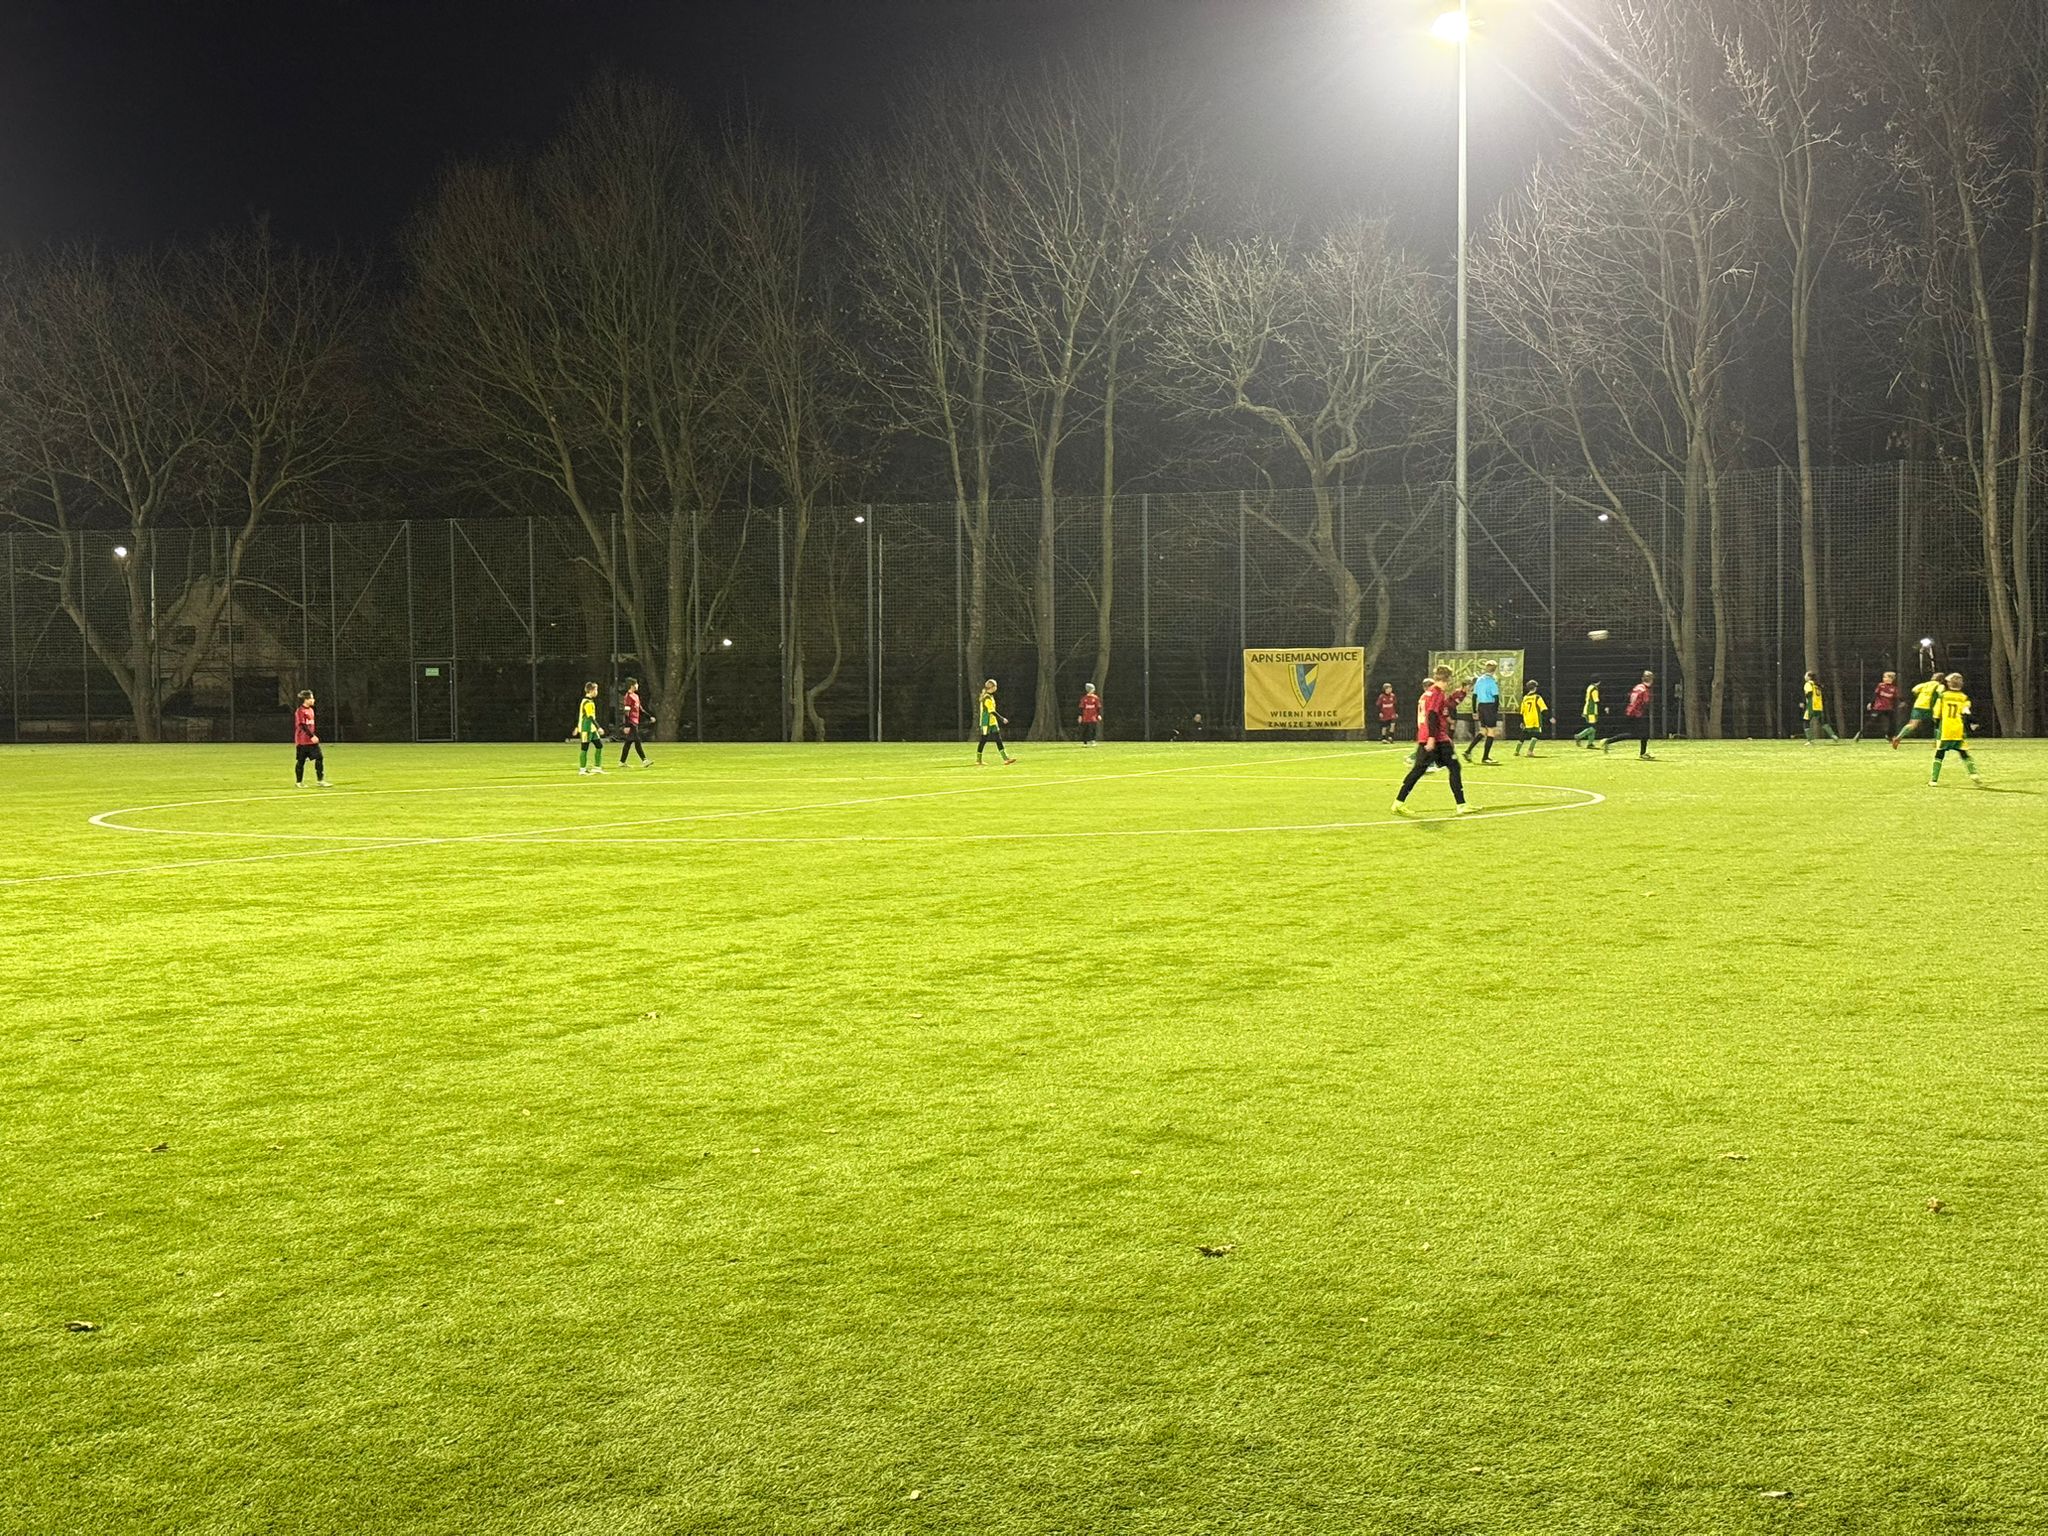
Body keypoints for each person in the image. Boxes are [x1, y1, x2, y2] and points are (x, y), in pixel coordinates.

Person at [1395, 665, 1470, 816]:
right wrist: (1431, 738)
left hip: (1428, 736)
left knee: (1419, 770)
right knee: (1453, 767)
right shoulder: (1437, 693)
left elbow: (1437, 711)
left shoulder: (1427, 693)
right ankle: (1461, 805)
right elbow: (1432, 715)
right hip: (1436, 738)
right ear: (1448, 678)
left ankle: (1398, 803)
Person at [1928, 672, 1983, 787]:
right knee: (1963, 752)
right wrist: (1973, 722)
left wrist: (1936, 724)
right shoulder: (1963, 697)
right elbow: (1966, 711)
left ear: (1948, 683)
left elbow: (1936, 713)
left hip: (1945, 729)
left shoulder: (1943, 696)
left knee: (1939, 753)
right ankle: (1973, 774)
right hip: (1958, 729)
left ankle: (1933, 780)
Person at [1602, 671, 1656, 759]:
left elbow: (1630, 698)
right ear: (1651, 679)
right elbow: (1645, 702)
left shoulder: (1638, 687)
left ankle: (1643, 753)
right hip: (1636, 713)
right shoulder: (1644, 690)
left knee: (1642, 734)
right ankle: (1608, 741)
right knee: (1635, 734)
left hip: (1631, 711)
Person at [1464, 660, 1503, 764]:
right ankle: (1485, 758)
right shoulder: (1492, 681)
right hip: (1489, 706)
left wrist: (1474, 710)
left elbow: (1474, 696)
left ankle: (1468, 751)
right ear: (1495, 670)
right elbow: (1496, 697)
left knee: (1483, 731)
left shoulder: (1479, 680)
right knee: (1491, 732)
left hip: (1481, 706)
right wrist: (1495, 710)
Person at [1893, 669, 1944, 748]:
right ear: (1942, 680)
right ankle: (1937, 742)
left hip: (1918, 705)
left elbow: (1914, 690)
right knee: (1938, 723)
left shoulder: (1925, 684)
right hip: (1930, 707)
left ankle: (1898, 737)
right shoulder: (1940, 685)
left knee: (1912, 724)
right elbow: (1940, 693)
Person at [292, 689, 330, 787]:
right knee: (301, 761)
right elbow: (302, 725)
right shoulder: (300, 711)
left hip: (311, 742)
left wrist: (313, 736)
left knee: (319, 758)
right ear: (306, 699)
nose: (313, 700)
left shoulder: (311, 710)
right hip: (302, 741)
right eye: (311, 698)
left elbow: (310, 726)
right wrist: (312, 736)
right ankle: (299, 782)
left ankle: (320, 780)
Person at [977, 679, 1017, 765]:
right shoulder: (987, 698)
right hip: (986, 722)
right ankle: (978, 760)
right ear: (992, 687)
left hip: (993, 722)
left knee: (998, 739)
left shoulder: (990, 696)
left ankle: (1006, 759)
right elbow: (991, 711)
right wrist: (1002, 719)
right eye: (995, 686)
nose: (996, 688)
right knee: (983, 740)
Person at [617, 677, 649, 767]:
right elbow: (626, 712)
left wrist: (649, 716)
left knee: (628, 742)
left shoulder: (636, 696)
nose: (638, 685)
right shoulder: (628, 697)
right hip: (631, 722)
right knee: (637, 740)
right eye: (636, 684)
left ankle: (622, 762)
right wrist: (627, 725)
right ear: (632, 686)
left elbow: (640, 709)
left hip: (635, 722)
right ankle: (644, 760)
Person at [576, 681, 607, 775]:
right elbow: (590, 717)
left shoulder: (589, 701)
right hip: (586, 728)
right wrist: (599, 727)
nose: (597, 692)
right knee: (584, 748)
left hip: (592, 728)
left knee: (599, 745)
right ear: (591, 690)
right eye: (596, 690)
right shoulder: (587, 702)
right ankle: (582, 769)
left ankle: (597, 767)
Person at [1802, 671, 1840, 742]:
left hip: (1811, 706)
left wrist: (1804, 702)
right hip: (1819, 707)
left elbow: (1809, 694)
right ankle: (1833, 735)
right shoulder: (1817, 685)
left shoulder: (1808, 684)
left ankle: (1810, 740)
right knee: (1823, 722)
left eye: (1806, 675)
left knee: (1806, 721)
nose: (1805, 676)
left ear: (1809, 677)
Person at [1513, 680, 1548, 756]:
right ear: (1535, 688)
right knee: (1536, 734)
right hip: (1535, 719)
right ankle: (1530, 751)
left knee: (1523, 734)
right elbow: (1544, 709)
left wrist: (1521, 721)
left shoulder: (1525, 698)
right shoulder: (1537, 697)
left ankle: (1516, 751)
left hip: (1526, 719)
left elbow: (1522, 711)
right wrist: (1549, 717)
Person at [1863, 671, 1900, 741]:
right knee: (1872, 721)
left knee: (1892, 722)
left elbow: (1897, 697)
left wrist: (1902, 702)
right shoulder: (1881, 685)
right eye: (1883, 677)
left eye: (1885, 677)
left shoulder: (1894, 688)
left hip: (1888, 708)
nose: (1884, 679)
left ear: (1891, 679)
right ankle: (1861, 733)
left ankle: (1889, 736)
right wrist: (1870, 703)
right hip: (1879, 707)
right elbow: (1875, 694)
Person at [1575, 680, 1601, 747]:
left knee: (1592, 727)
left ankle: (1590, 743)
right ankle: (1579, 736)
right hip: (1591, 710)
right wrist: (1603, 707)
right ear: (1599, 682)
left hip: (1587, 709)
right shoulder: (1594, 689)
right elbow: (1596, 700)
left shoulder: (1590, 686)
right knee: (1593, 727)